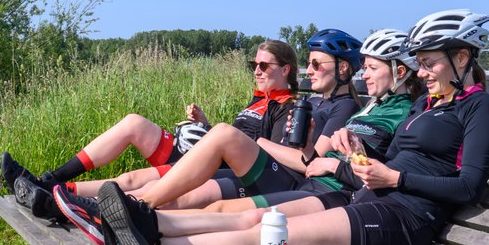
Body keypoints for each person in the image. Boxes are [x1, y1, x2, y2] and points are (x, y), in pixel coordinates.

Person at [96, 9, 489, 245]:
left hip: (406, 216)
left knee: (266, 236)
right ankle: (141, 221)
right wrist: (359, 155)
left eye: (430, 63)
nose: (423, 72)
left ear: (462, 58)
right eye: (419, 64)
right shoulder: (423, 108)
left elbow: (468, 185)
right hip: (369, 198)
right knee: (257, 220)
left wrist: (396, 180)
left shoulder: (477, 107)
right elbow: (390, 161)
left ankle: (145, 239)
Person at [0, 39, 303, 218]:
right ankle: (49, 181)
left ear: (286, 70)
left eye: (264, 66)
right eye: (254, 65)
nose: (257, 71)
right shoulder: (258, 100)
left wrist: (216, 135)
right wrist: (204, 124)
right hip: (201, 153)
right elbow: (235, 137)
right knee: (133, 123)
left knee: (133, 179)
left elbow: (264, 156)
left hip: (213, 168)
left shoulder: (289, 108)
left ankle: (60, 199)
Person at [93, 28, 364, 213]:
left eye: (317, 64)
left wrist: (252, 142)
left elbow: (310, 162)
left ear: (342, 68)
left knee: (192, 191)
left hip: (284, 177)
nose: (311, 71)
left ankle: (132, 209)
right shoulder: (316, 101)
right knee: (147, 181)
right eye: (310, 64)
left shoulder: (344, 105)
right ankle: (94, 203)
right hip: (267, 167)